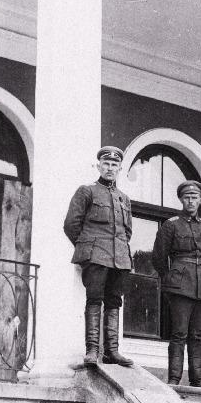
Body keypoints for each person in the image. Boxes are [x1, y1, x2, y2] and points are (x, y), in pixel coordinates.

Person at [63, 146, 134, 367]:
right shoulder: (87, 191)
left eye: (114, 165)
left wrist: (117, 249)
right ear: (99, 166)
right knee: (94, 299)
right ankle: (92, 350)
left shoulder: (124, 198)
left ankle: (112, 351)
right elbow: (71, 225)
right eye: (106, 164)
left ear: (120, 168)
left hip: (119, 258)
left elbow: (127, 231)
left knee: (114, 302)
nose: (110, 168)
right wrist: (87, 248)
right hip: (95, 256)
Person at [152, 180, 201, 387]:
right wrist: (170, 278)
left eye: (194, 197)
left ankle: (198, 379)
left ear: (200, 200)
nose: (191, 201)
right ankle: (175, 378)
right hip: (179, 285)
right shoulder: (171, 224)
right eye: (187, 197)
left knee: (198, 334)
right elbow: (159, 257)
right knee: (179, 333)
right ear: (181, 199)